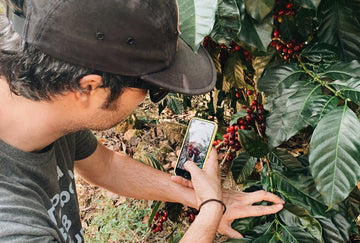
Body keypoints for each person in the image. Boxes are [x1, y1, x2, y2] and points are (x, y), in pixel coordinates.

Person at [0, 0, 284, 242]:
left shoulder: (39, 102)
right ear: (87, 88)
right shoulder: (13, 225)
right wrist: (210, 210)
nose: (149, 98)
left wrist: (196, 195)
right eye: (153, 88)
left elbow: (104, 165)